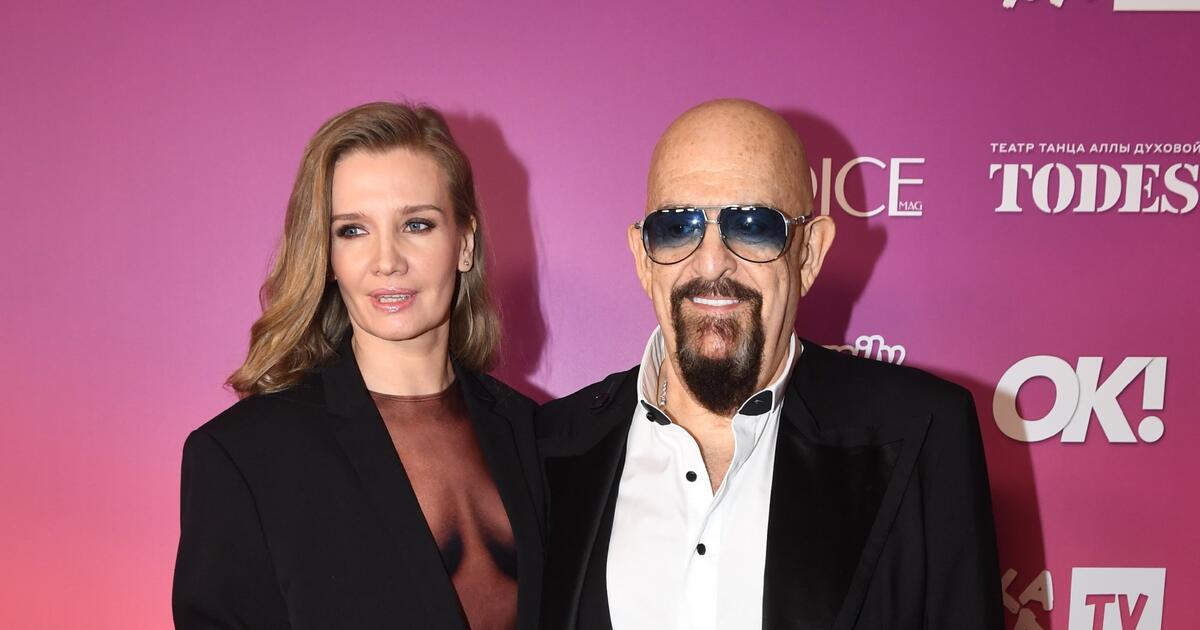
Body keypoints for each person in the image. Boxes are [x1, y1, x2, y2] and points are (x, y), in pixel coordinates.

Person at [537, 99, 1002, 629]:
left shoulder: (924, 430)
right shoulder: (549, 448)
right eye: (676, 227)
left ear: (809, 253)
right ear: (644, 258)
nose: (712, 262)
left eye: (754, 225)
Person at [173, 102, 543, 630]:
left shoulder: (533, 434)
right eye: (352, 230)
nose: (387, 260)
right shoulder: (244, 457)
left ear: (464, 243)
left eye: (416, 224)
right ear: (327, 256)